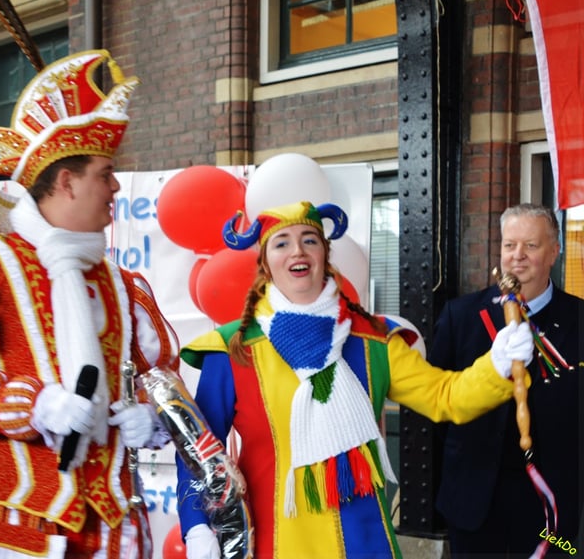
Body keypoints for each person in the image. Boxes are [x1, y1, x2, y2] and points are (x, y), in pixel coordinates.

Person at [0, 50, 180, 558]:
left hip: (114, 529)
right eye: (105, 172)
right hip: (17, 530)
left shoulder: (124, 285)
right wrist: (34, 405)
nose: (115, 185)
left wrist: (155, 414)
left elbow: (163, 376)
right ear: (66, 181)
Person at [175, 200, 535, 559]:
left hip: (366, 543)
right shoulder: (233, 350)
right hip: (275, 543)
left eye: (309, 240)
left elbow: (446, 398)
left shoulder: (374, 340)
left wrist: (497, 365)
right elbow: (198, 449)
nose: (298, 251)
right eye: (282, 243)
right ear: (265, 263)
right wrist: (196, 525)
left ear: (325, 254)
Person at [430, 203, 583, 557]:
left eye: (531, 245)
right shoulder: (460, 316)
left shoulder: (579, 318)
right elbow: (437, 403)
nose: (518, 256)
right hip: (474, 504)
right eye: (510, 245)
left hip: (552, 506)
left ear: (554, 251)